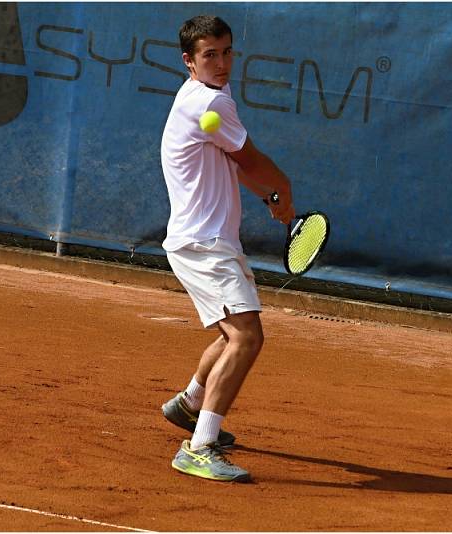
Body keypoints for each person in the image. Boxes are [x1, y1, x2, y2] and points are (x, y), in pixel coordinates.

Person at [159, 15, 295, 483]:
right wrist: (283, 191)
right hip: (203, 243)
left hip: (213, 239)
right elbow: (253, 161)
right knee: (246, 336)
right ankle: (198, 448)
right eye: (209, 55)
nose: (221, 63)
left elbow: (237, 164)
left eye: (226, 52)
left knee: (230, 334)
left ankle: (189, 404)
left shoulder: (214, 97)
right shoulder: (206, 102)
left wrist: (269, 196)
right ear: (189, 61)